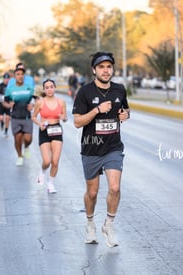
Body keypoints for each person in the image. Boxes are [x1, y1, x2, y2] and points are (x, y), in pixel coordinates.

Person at [73, 51, 130, 247]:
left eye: (109, 67)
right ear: (94, 70)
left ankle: (109, 224)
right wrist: (97, 110)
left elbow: (125, 109)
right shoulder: (85, 92)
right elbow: (77, 122)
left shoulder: (120, 90)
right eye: (101, 67)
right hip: (91, 148)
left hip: (113, 147)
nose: (106, 70)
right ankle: (90, 224)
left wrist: (125, 115)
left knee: (115, 187)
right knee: (93, 192)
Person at [31, 79, 67, 193]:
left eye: (51, 86)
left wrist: (63, 118)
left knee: (55, 161)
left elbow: (65, 117)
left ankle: (50, 184)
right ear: (44, 89)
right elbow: (33, 117)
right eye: (47, 87)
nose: (49, 89)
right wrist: (39, 123)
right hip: (44, 131)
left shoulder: (61, 102)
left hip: (56, 130)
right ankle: (42, 172)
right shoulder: (40, 102)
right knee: (47, 161)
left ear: (55, 87)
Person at [3, 63, 35, 166]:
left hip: (27, 117)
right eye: (18, 74)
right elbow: (4, 101)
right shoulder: (10, 89)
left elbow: (38, 99)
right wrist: (9, 105)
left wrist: (32, 105)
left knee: (28, 139)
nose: (20, 76)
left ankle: (26, 147)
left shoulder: (29, 87)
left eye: (22, 74)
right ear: (14, 76)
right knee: (17, 138)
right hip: (15, 117)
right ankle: (20, 156)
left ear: (24, 76)